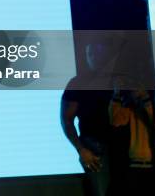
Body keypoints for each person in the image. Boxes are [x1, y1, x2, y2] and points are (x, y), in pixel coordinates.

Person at [60, 43, 115, 196]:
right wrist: (81, 149)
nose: (95, 56)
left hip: (123, 147)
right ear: (86, 56)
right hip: (95, 148)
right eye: (90, 53)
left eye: (99, 51)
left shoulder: (117, 80)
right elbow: (66, 120)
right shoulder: (78, 83)